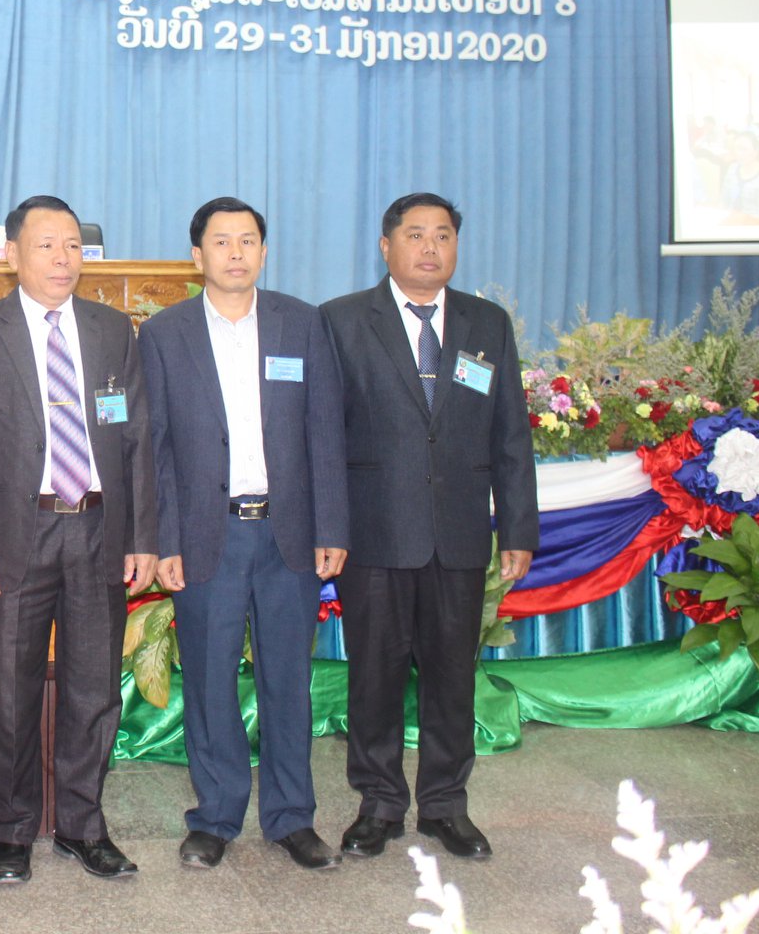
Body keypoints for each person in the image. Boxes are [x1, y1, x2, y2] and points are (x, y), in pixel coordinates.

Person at [0, 195, 157, 884]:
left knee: (95, 690)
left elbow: (137, 438)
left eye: (73, 246)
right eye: (46, 245)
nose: (63, 259)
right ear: (12, 255)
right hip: (16, 534)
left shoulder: (111, 328)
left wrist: (142, 536)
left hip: (98, 529)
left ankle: (82, 827)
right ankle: (11, 831)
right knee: (13, 690)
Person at [319, 194, 537, 862]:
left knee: (452, 680)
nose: (430, 247)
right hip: (374, 533)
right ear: (385, 246)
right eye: (415, 235)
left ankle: (445, 805)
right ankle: (379, 805)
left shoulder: (486, 323)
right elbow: (322, 436)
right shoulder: (342, 320)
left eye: (442, 235)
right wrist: (329, 526)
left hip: (459, 532)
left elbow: (510, 430)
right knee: (375, 678)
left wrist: (518, 528)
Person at [138, 197, 349, 872]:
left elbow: (325, 430)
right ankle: (216, 816)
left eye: (248, 240)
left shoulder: (301, 323)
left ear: (263, 250)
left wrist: (332, 525)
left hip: (289, 534)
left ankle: (292, 818)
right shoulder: (164, 334)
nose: (236, 253)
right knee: (209, 682)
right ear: (196, 256)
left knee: (288, 681)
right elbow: (155, 447)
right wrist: (165, 539)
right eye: (222, 241)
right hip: (209, 535)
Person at [720, 131, 759, 223]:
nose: (739, 153)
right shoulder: (732, 168)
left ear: (756, 151)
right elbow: (724, 201)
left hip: (752, 224)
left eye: (744, 149)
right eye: (736, 149)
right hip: (729, 221)